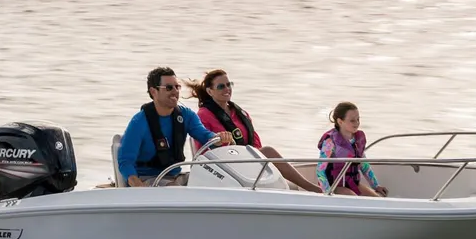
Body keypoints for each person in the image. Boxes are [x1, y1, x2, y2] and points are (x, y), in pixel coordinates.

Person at [185, 69, 323, 193]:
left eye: (229, 84)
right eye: (221, 86)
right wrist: (222, 142)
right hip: (224, 167)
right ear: (210, 91)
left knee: (267, 154)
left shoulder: (240, 113)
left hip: (247, 162)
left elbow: (256, 143)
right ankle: (311, 187)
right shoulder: (204, 115)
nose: (227, 89)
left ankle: (306, 187)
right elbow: (202, 149)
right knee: (268, 151)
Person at [117, 66, 233, 187]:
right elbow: (125, 161)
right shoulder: (139, 122)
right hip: (149, 180)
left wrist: (218, 138)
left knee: (214, 180)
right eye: (169, 88)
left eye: (177, 87)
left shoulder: (186, 115)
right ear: (153, 92)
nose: (175, 91)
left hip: (175, 178)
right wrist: (137, 185)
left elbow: (204, 135)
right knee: (174, 189)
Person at [317, 101, 388, 197]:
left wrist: (376, 186)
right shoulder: (330, 142)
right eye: (352, 120)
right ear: (340, 121)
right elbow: (320, 170)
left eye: (358, 119)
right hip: (334, 185)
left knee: (377, 199)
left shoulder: (358, 140)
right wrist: (327, 192)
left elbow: (364, 166)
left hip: (353, 184)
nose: (357, 123)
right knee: (353, 199)